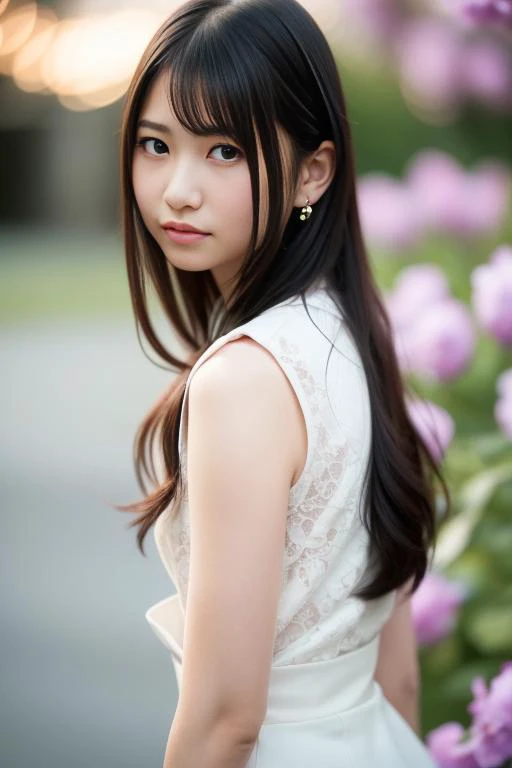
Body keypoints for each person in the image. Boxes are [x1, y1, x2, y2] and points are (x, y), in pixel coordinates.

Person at [117, 1, 447, 766]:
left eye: (225, 151)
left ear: (313, 171)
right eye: (156, 144)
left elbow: (226, 719)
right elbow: (396, 677)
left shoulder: (243, 380)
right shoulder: (352, 331)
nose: (178, 190)